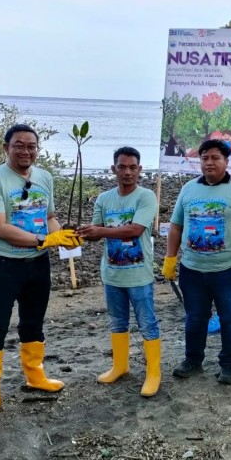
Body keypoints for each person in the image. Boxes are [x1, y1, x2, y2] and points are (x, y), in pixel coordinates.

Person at [0, 124, 81, 414]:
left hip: (37, 264)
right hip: (3, 263)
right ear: (6, 148)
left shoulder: (44, 177)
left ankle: (35, 376)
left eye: (31, 146)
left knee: (33, 321)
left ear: (38, 149)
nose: (26, 151)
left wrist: (62, 237)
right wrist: (45, 240)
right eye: (19, 145)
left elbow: (49, 216)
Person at [162, 139, 231, 385]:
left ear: (226, 161)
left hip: (228, 270)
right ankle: (193, 360)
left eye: (215, 158)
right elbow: (176, 227)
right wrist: (170, 259)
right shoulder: (188, 189)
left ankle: (228, 365)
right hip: (192, 269)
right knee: (195, 318)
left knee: (230, 318)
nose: (209, 162)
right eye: (205, 157)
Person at [77, 147, 161, 397]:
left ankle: (154, 373)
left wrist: (99, 231)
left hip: (139, 275)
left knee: (147, 323)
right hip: (112, 274)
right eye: (122, 167)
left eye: (132, 167)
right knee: (117, 322)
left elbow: (134, 230)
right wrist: (81, 233)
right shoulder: (104, 199)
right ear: (113, 169)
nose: (127, 172)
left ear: (140, 170)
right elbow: (96, 231)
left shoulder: (146, 197)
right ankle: (120, 365)